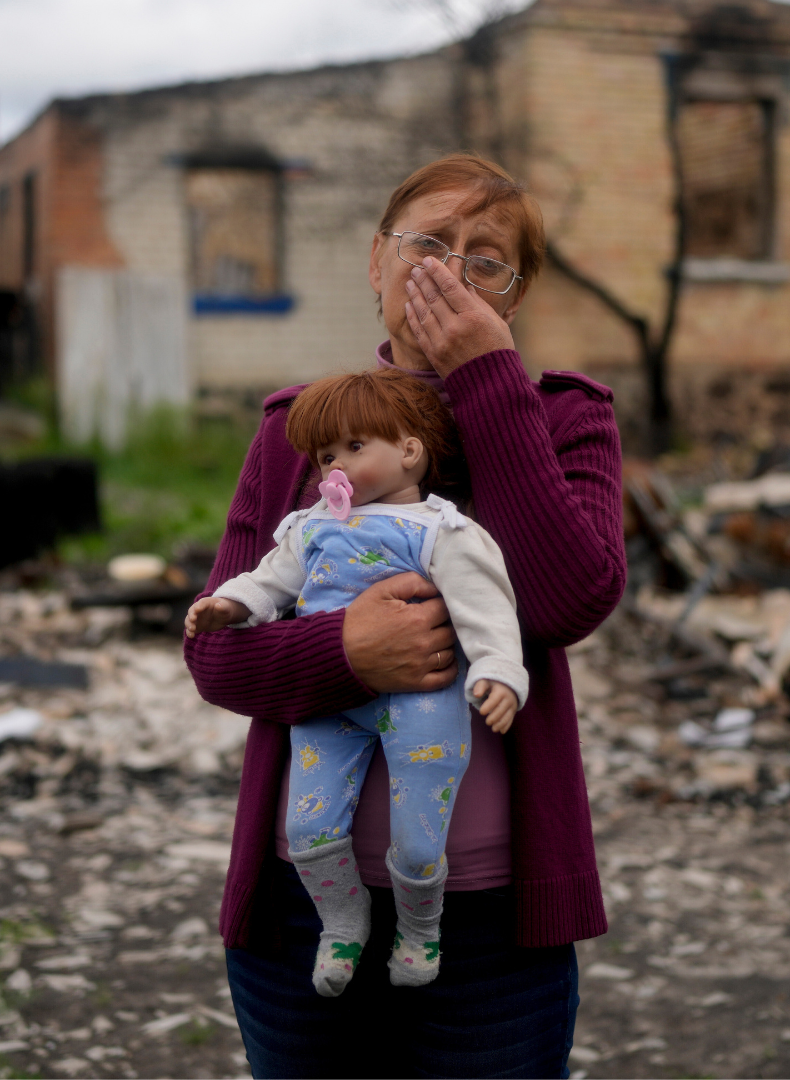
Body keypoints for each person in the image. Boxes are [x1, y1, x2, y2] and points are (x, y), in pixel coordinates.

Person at [183, 152, 625, 1078]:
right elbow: (218, 655)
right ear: (376, 263)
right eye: (428, 243)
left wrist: (487, 382)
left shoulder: (564, 421)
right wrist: (349, 650)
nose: (450, 271)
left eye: (485, 258)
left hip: (492, 919)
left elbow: (565, 600)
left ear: (516, 292)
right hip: (303, 906)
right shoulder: (299, 430)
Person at [185, 367, 528, 997]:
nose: (333, 468)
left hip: (423, 698)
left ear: (409, 449)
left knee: (421, 834)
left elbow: (487, 608)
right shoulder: (309, 526)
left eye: (354, 447)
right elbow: (268, 581)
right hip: (332, 698)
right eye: (325, 456)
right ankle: (343, 924)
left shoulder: (442, 531)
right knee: (311, 824)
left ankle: (421, 929)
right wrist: (228, 605)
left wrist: (501, 673)